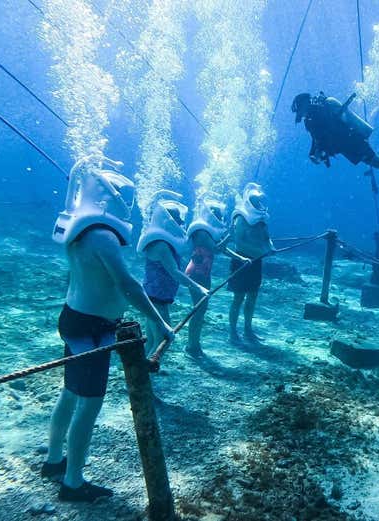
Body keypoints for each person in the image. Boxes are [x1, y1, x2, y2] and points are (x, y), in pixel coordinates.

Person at [42, 155, 174, 502]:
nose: (129, 204)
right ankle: (73, 482)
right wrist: (161, 324)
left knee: (70, 393)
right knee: (89, 403)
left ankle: (54, 460)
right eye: (126, 197)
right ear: (111, 197)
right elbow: (128, 285)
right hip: (94, 330)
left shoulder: (80, 226)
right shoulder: (103, 236)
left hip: (75, 318)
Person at [291, 91, 379, 203]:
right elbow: (316, 140)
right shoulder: (310, 119)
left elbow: (323, 134)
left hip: (352, 140)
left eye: (300, 110)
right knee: (375, 162)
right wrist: (313, 154)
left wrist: (316, 152)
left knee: (377, 163)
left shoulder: (318, 112)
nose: (300, 114)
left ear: (304, 103)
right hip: (346, 147)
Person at [137, 190, 208, 356]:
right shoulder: (161, 245)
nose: (180, 221)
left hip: (156, 297)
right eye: (177, 218)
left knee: (153, 341)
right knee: (164, 339)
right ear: (167, 220)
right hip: (156, 298)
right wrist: (198, 287)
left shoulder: (164, 241)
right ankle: (146, 376)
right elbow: (175, 272)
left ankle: (141, 373)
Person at [184, 194, 247, 357]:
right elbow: (216, 248)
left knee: (201, 309)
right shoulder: (202, 231)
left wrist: (241, 258)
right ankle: (192, 346)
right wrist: (229, 236)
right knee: (199, 310)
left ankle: (194, 344)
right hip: (196, 273)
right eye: (217, 214)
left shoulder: (208, 231)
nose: (220, 217)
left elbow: (223, 249)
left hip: (204, 274)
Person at [228, 182, 273, 345]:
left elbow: (267, 237)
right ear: (249, 201)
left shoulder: (261, 219)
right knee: (238, 298)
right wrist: (261, 253)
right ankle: (233, 332)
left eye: (260, 200)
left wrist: (271, 247)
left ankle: (248, 330)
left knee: (252, 297)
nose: (259, 204)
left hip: (256, 263)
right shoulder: (241, 218)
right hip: (242, 262)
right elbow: (239, 244)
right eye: (255, 200)